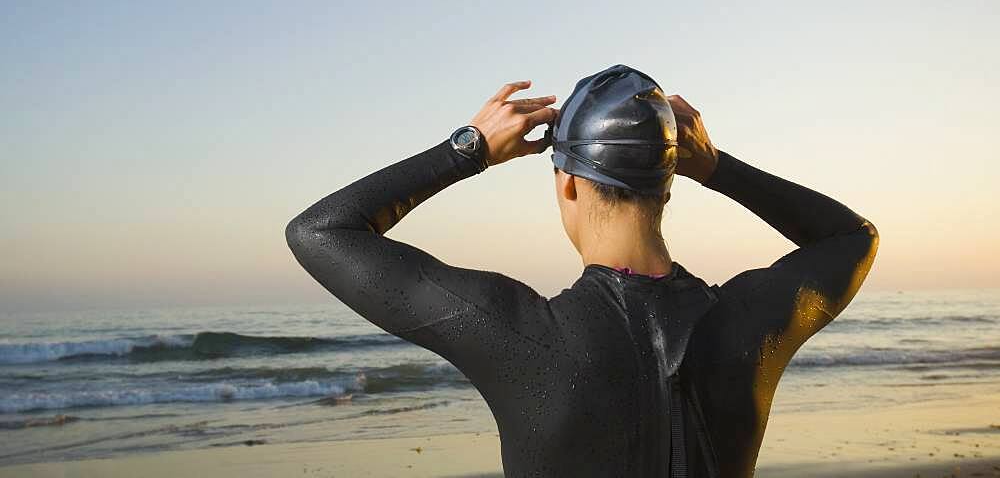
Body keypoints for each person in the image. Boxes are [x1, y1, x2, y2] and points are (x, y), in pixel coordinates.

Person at [285, 64, 879, 478]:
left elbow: (319, 233)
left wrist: (466, 149)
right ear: (669, 185)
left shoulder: (515, 333)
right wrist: (717, 165)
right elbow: (852, 237)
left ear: (566, 180)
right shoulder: (751, 322)